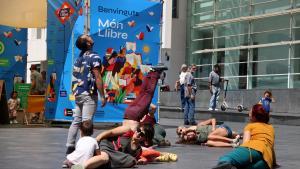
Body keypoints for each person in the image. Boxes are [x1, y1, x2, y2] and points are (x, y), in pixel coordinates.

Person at [65, 34, 107, 155]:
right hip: (88, 93)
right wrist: (102, 96)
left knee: (76, 121)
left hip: (78, 93)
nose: (89, 36)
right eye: (87, 36)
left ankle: (70, 148)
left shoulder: (79, 57)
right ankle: (82, 152)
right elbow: (98, 77)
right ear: (88, 43)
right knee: (86, 123)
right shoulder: (94, 57)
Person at [212, 104, 276, 169]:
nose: (249, 114)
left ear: (254, 117)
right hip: (266, 160)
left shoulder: (250, 126)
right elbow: (271, 147)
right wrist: (273, 163)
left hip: (253, 147)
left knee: (225, 159)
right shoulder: (271, 128)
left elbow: (246, 143)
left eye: (250, 113)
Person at [72, 124, 154, 169]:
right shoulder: (127, 130)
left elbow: (139, 157)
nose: (138, 133)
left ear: (145, 139)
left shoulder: (138, 150)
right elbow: (110, 132)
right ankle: (81, 167)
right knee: (105, 158)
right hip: (107, 145)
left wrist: (143, 160)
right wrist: (96, 140)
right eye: (139, 130)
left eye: (142, 134)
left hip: (115, 156)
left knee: (131, 160)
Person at [176, 118, 240, 147]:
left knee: (209, 136)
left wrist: (213, 128)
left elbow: (213, 119)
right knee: (209, 142)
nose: (181, 132)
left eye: (181, 130)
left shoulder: (199, 126)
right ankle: (232, 145)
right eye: (180, 133)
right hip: (221, 137)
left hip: (222, 129)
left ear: (184, 127)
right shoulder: (196, 139)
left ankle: (232, 140)